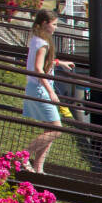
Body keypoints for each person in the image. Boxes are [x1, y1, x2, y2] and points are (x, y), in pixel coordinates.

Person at [21, 10, 66, 173]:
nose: (55, 28)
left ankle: (38, 167)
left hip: (34, 87)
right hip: (40, 89)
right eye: (54, 24)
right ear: (45, 24)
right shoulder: (43, 44)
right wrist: (51, 92)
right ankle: (23, 155)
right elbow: (39, 68)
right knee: (57, 128)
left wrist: (59, 63)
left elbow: (41, 62)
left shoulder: (36, 39)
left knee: (50, 129)